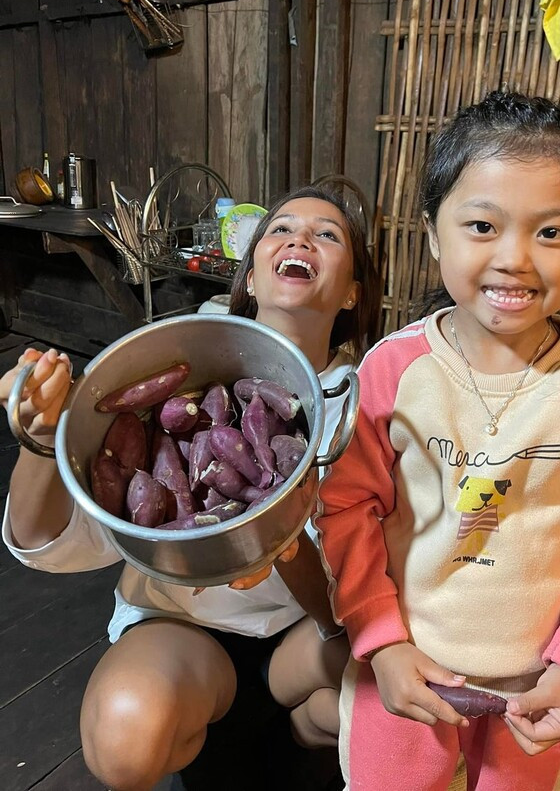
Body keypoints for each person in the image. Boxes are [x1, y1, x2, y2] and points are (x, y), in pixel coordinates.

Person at [315, 91, 560, 791]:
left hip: (535, 690)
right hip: (406, 674)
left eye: (551, 232)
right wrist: (380, 639)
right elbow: (344, 508)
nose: (514, 257)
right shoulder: (392, 370)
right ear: (432, 232)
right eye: (482, 224)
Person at [0, 185, 382, 791]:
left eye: (327, 235)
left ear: (354, 290)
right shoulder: (175, 364)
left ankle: (302, 729)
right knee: (125, 743)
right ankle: (232, 733)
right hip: (182, 632)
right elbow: (46, 542)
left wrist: (277, 542)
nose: (300, 239)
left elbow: (356, 586)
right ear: (251, 276)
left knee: (403, 690)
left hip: (301, 642)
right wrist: (42, 438)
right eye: (280, 229)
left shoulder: (365, 404)